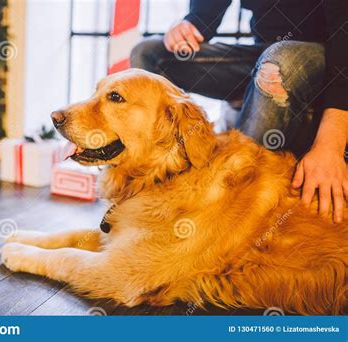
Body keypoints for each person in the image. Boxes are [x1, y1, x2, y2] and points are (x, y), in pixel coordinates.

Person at [130, 0, 348, 223]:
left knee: (278, 63)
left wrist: (330, 146)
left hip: (328, 58)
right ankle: (146, 185)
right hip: (267, 52)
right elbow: (206, 16)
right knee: (148, 53)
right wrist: (192, 23)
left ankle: (224, 206)